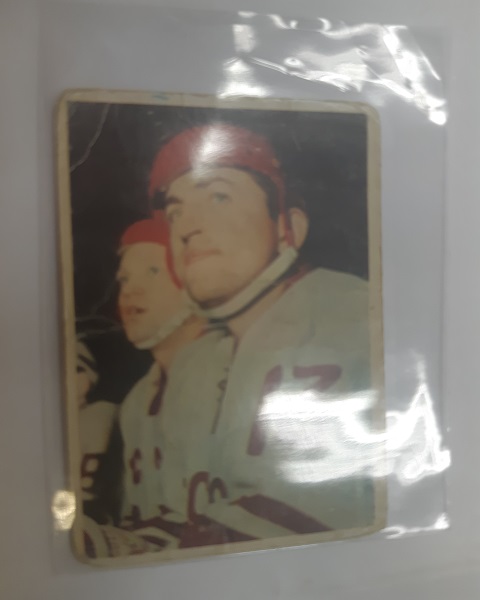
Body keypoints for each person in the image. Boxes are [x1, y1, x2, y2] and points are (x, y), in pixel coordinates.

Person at [127, 122, 381, 549]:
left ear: (287, 227)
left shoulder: (347, 310)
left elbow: (303, 527)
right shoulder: (196, 364)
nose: (186, 228)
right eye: (175, 213)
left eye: (218, 197)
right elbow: (183, 523)